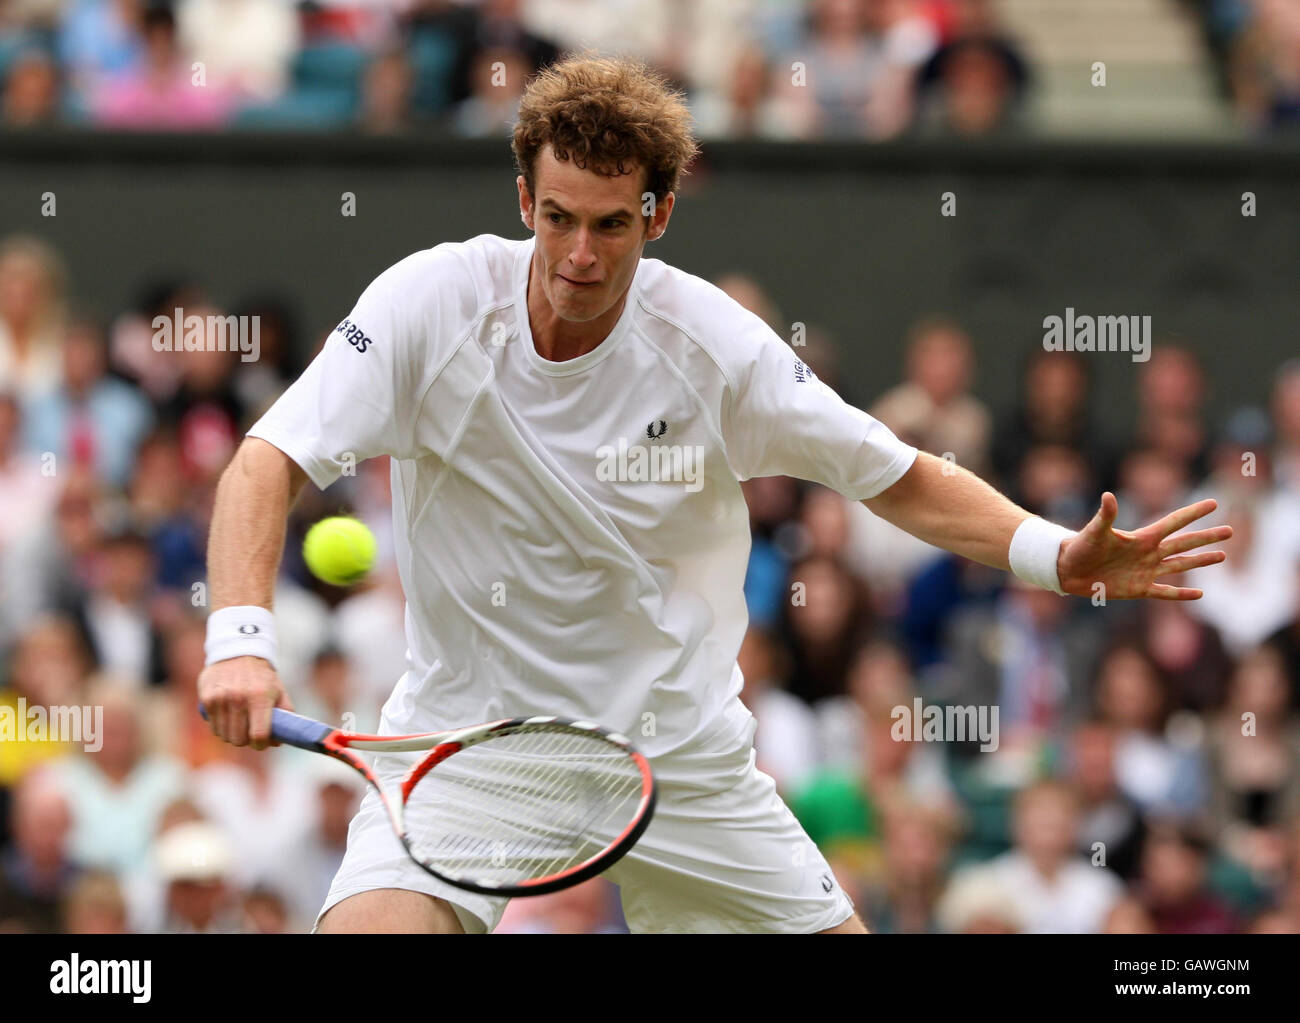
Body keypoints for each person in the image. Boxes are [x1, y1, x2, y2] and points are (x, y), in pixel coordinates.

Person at [197, 54, 1232, 934]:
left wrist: (1055, 555)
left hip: (675, 756)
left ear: (660, 212)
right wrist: (240, 635)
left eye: (610, 225)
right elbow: (266, 461)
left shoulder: (718, 351)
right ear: (522, 199)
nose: (577, 257)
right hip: (463, 746)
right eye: (556, 218)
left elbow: (896, 477)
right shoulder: (428, 305)